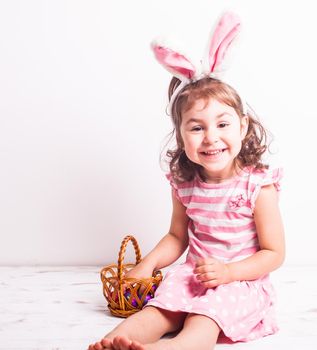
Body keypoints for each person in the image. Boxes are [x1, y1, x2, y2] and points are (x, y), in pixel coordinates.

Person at [89, 11, 285, 350]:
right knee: (159, 310)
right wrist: (145, 265)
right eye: (197, 127)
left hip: (239, 282)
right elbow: (177, 236)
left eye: (222, 124)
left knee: (202, 320)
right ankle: (112, 344)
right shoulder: (185, 183)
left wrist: (229, 272)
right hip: (193, 276)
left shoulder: (257, 186)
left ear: (242, 126)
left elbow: (273, 253)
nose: (211, 137)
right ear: (181, 137)